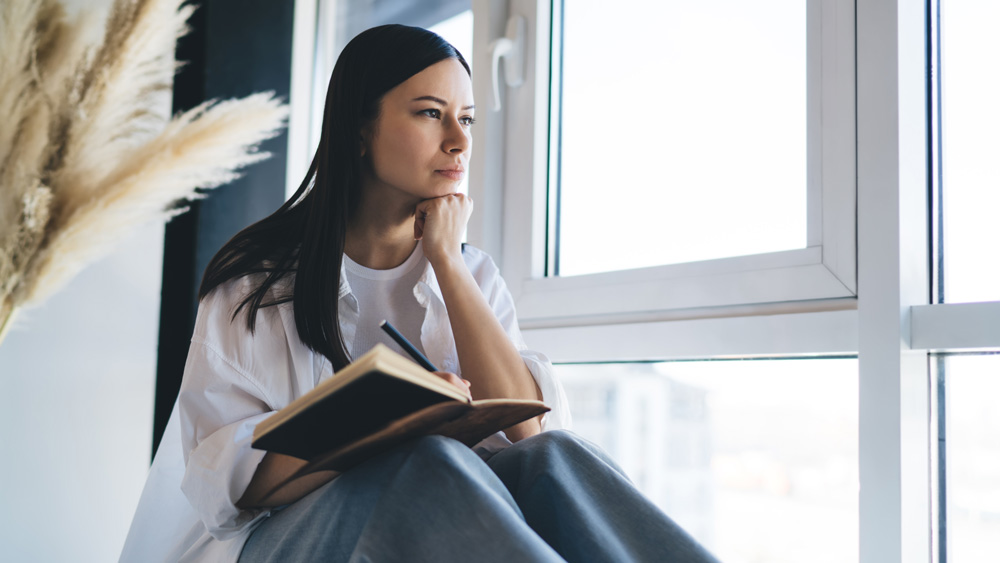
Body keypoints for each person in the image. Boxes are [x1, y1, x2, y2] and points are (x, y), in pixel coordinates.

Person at [121, 24, 720, 563]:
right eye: (432, 114)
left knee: (560, 458)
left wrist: (447, 264)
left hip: (438, 511)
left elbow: (529, 435)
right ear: (360, 130)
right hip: (282, 542)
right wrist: (380, 426)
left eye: (468, 118)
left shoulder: (470, 272)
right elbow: (222, 490)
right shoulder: (253, 285)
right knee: (427, 461)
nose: (458, 140)